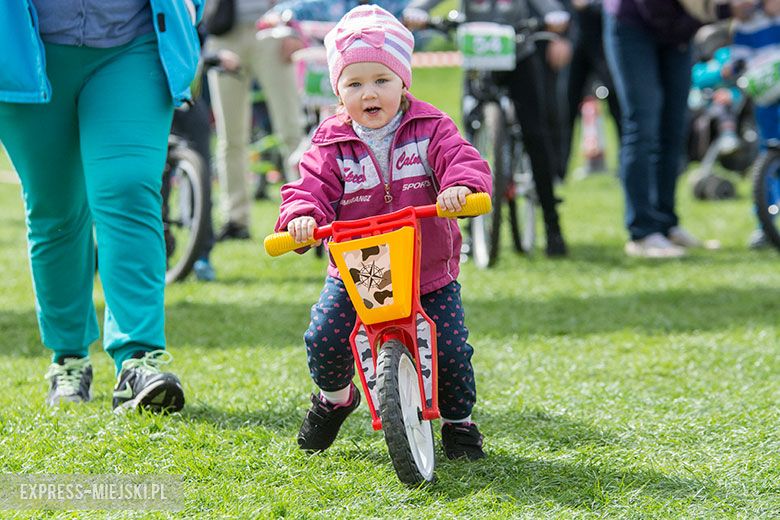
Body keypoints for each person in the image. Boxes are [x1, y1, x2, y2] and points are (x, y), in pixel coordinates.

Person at [275, 5, 492, 460]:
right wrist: (301, 217)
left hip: (425, 267)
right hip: (359, 271)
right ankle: (335, 398)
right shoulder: (331, 142)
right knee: (324, 336)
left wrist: (459, 186)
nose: (368, 93)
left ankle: (459, 422)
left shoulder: (430, 127)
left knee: (449, 349)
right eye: (354, 84)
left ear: (403, 81)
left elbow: (462, 159)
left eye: (380, 80)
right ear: (338, 90)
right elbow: (309, 186)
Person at [0, 0, 201, 412]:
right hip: (23, 47)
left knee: (128, 189)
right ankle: (68, 357)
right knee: (55, 210)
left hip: (134, 43)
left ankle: (138, 359)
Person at [405, 0, 573, 257]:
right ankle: (472, 232)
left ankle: (552, 225)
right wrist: (418, 11)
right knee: (464, 140)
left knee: (535, 134)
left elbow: (547, 5)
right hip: (477, 58)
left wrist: (553, 15)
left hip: (519, 56)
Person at [602, 0, 734, 257]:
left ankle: (666, 224)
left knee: (674, 128)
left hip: (677, 32)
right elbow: (655, 11)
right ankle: (642, 232)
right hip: (633, 24)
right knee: (642, 126)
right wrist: (722, 12)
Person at [206, 0, 308, 241]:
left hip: (273, 30)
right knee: (229, 136)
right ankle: (235, 219)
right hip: (224, 33)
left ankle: (305, 211)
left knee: (291, 130)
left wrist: (292, 29)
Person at [727, 0, 780, 248]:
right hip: (767, 95)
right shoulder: (744, 25)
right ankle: (765, 224)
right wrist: (733, 69)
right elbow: (739, 60)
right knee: (769, 153)